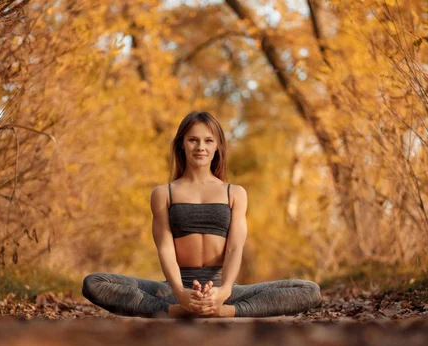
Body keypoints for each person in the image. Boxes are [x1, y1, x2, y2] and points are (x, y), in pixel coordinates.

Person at [82, 111, 321, 318]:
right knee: (94, 283)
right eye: (193, 140)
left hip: (224, 291)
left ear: (217, 146)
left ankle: (225, 311)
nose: (200, 147)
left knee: (308, 290)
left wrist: (225, 292)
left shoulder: (235, 193)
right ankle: (178, 311)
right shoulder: (164, 193)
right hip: (175, 292)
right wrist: (180, 293)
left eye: (208, 140)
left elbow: (234, 248)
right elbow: (165, 248)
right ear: (181, 144)